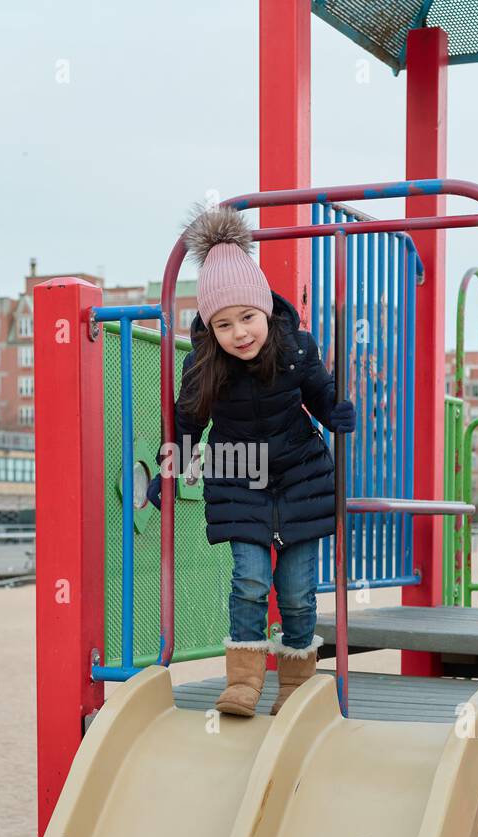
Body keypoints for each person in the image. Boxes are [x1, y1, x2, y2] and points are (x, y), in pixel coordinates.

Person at [146, 204, 354, 717]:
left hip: (300, 476)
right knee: (251, 580)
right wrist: (169, 471)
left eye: (247, 318)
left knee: (299, 592)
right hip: (239, 476)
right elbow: (188, 423)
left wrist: (334, 410)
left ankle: (296, 686)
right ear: (210, 328)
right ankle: (242, 683)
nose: (239, 333)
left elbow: (318, 393)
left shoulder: (296, 349)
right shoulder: (203, 367)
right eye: (223, 324)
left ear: (265, 310)